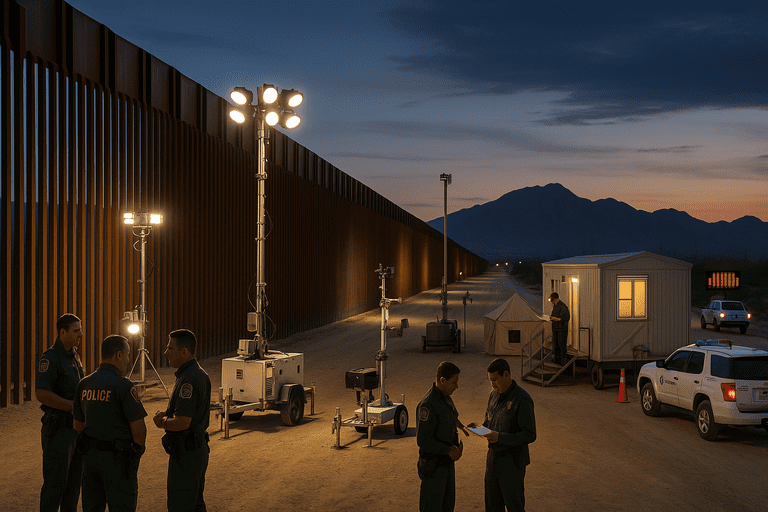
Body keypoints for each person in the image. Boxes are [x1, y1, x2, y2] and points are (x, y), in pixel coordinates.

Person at [73, 335, 148, 512]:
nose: (129, 360)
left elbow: (77, 425)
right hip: (118, 461)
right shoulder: (123, 385)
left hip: (91, 459)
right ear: (119, 355)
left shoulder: (84, 384)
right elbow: (139, 430)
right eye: (128, 355)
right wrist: (135, 455)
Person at [153, 329, 211, 512]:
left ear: (184, 351)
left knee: (181, 505)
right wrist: (167, 412)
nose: (166, 353)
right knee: (195, 504)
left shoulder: (189, 379)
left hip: (186, 455)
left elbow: (182, 422)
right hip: (194, 451)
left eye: (170, 348)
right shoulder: (196, 374)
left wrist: (161, 423)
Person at [469, 358, 536, 512]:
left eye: (495, 380)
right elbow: (489, 423)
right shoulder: (493, 396)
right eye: (490, 381)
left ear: (506, 375)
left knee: (514, 506)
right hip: (493, 460)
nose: (492, 385)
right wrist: (479, 429)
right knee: (492, 506)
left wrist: (500, 437)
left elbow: (530, 434)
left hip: (512, 462)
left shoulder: (522, 399)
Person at [35, 313, 85, 512]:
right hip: (58, 431)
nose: (81, 335)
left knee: (73, 487)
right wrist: (71, 406)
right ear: (62, 332)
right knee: (55, 487)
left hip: (76, 430)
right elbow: (41, 393)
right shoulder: (50, 358)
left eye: (80, 330)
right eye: (76, 331)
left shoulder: (74, 355)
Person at [416, 361, 469, 512]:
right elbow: (423, 441)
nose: (456, 387)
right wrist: (448, 449)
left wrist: (462, 426)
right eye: (454, 383)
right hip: (433, 467)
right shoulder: (428, 405)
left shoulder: (446, 397)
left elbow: (450, 416)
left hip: (446, 464)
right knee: (432, 507)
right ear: (442, 380)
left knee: (447, 505)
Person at [549, 292, 570, 364]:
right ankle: (557, 359)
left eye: (553, 300)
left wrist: (556, 319)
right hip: (555, 328)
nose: (553, 302)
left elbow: (565, 318)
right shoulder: (555, 306)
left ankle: (563, 360)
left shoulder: (563, 307)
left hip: (561, 329)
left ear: (557, 299)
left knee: (561, 344)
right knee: (556, 344)